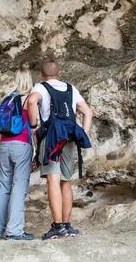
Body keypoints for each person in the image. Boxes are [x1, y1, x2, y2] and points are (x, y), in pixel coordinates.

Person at [27, 58, 93, 240]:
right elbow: (88, 113)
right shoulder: (71, 89)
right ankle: (67, 225)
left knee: (53, 180)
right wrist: (82, 134)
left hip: (52, 138)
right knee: (66, 181)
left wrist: (34, 126)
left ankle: (58, 228)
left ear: (41, 74)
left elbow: (32, 102)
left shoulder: (40, 88)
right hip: (69, 137)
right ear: (59, 73)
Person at [0, 68, 35, 241]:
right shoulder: (29, 100)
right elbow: (34, 126)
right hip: (22, 144)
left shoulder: (7, 99)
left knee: (3, 185)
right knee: (19, 185)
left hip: (4, 145)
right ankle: (15, 231)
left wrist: (4, 143)